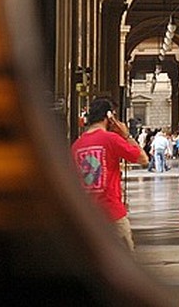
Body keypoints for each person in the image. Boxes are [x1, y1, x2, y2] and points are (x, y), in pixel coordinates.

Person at [71, 97, 150, 251]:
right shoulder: (111, 139)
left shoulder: (76, 146)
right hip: (112, 213)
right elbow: (143, 159)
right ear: (109, 117)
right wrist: (126, 136)